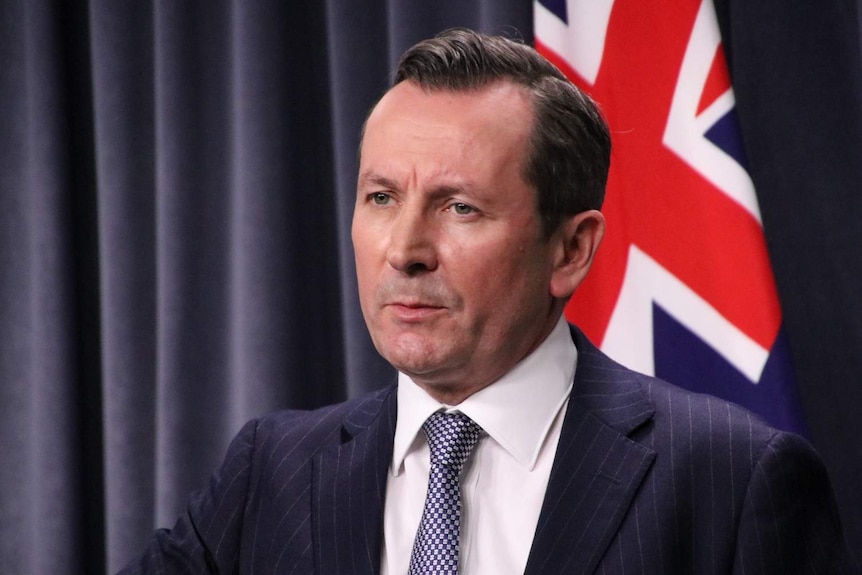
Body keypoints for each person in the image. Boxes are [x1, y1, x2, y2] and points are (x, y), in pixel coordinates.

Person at [119, 28, 855, 574]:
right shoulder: (268, 472)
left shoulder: (731, 478)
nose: (404, 248)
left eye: (460, 207)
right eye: (381, 197)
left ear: (571, 250)